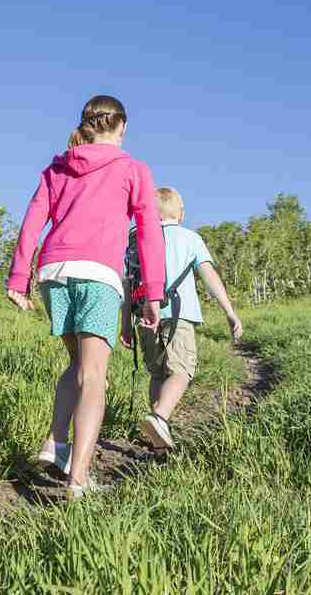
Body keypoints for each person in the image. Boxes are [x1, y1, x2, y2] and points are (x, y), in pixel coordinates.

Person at [5, 95, 165, 499]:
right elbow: (147, 231)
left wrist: (19, 276)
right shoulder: (133, 169)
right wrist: (152, 292)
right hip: (97, 274)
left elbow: (32, 221)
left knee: (77, 364)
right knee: (94, 376)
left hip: (54, 273)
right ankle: (78, 479)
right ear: (122, 128)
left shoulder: (57, 168)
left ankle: (56, 444)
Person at [125, 186, 242, 451]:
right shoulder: (189, 238)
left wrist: (124, 324)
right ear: (180, 213)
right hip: (179, 314)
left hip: (144, 314)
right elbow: (209, 276)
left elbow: (126, 283)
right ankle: (159, 417)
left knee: (157, 373)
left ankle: (159, 443)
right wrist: (230, 312)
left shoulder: (137, 239)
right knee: (181, 371)